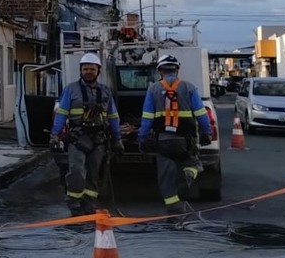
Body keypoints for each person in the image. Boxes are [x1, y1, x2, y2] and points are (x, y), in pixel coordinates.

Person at [136, 54, 213, 215]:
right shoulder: (189, 87)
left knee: (166, 178)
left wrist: (142, 138)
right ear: (177, 70)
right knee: (195, 165)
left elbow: (147, 118)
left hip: (163, 141)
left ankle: (175, 212)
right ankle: (188, 174)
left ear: (160, 72)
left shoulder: (153, 89)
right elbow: (201, 114)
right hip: (185, 141)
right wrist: (207, 133)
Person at [49, 52, 124, 216]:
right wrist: (55, 135)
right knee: (76, 171)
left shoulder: (105, 92)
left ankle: (89, 205)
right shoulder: (70, 90)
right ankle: (74, 205)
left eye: (92, 68)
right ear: (80, 70)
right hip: (77, 138)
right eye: (85, 69)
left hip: (99, 139)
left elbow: (113, 116)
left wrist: (117, 139)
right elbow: (62, 113)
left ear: (99, 70)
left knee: (93, 175)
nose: (88, 71)